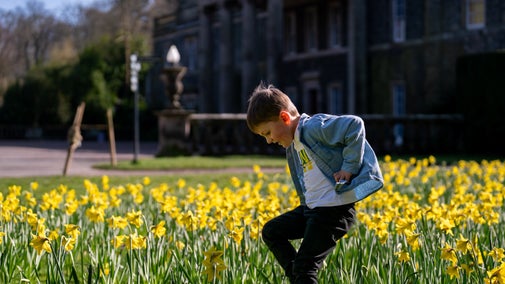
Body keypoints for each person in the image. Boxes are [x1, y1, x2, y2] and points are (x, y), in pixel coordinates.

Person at [246, 83, 384, 283]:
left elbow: (354, 124)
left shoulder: (312, 128)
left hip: (333, 211)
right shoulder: (294, 146)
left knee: (305, 267)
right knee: (272, 232)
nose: (268, 140)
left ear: (284, 118)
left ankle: (301, 276)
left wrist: (349, 168)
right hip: (313, 209)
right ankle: (298, 278)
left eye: (267, 133)